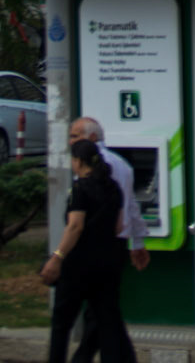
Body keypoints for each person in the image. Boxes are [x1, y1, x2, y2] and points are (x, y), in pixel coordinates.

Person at [43, 140, 130, 363]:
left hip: (78, 266)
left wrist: (57, 257)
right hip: (108, 263)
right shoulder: (113, 187)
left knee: (62, 322)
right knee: (107, 322)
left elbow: (75, 226)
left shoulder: (80, 188)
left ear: (78, 162)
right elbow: (119, 226)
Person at [68, 117, 146, 363]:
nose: (70, 142)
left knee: (102, 309)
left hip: (94, 245)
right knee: (103, 307)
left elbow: (81, 217)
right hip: (117, 245)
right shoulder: (123, 165)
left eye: (75, 136)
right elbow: (131, 207)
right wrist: (137, 243)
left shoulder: (89, 167)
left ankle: (88, 357)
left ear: (92, 138)